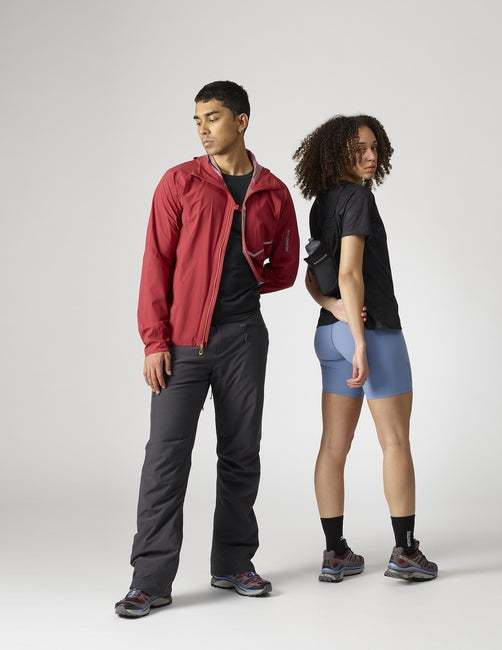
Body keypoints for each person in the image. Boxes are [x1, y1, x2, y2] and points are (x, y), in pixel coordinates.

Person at [115, 81, 299, 618]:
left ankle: (234, 564)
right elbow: (156, 264)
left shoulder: (273, 192)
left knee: (241, 454)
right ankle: (150, 580)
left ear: (241, 121)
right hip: (181, 342)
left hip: (244, 338)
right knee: (165, 459)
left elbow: (285, 267)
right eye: (197, 119)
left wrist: (243, 287)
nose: (202, 128)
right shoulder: (180, 182)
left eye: (212, 117)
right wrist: (155, 340)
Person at [293, 114, 438, 583]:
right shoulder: (357, 198)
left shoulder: (321, 203)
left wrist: (332, 306)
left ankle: (335, 553)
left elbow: (314, 277)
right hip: (371, 334)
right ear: (338, 152)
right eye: (359, 149)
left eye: (375, 147)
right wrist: (359, 340)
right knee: (395, 441)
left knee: (333, 445)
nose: (371, 156)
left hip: (328, 333)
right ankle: (406, 552)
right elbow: (349, 272)